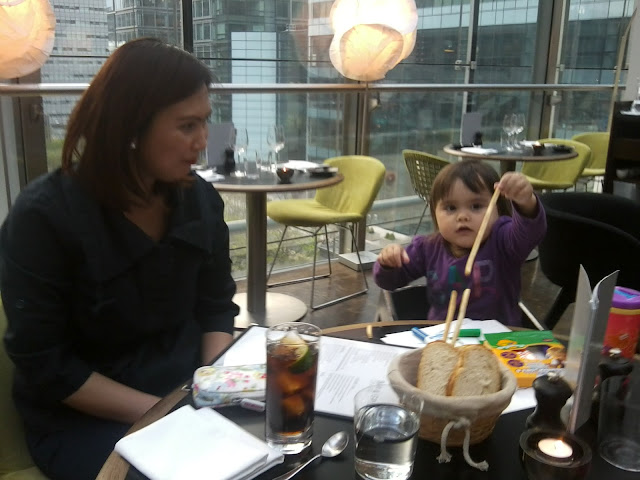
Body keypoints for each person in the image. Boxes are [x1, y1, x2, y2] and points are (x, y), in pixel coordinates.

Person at [0, 38, 239, 480]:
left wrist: (211, 386)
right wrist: (169, 411)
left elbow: (215, 305)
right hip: (86, 417)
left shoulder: (200, 200)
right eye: (187, 126)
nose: (204, 142)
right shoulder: (44, 218)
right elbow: (47, 365)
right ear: (130, 128)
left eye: (205, 122)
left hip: (186, 389)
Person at [374, 159, 546, 327]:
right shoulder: (427, 247)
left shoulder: (503, 239)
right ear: (434, 212)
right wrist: (388, 263)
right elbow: (388, 282)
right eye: (451, 208)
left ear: (498, 210)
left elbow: (530, 233)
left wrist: (526, 203)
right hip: (443, 339)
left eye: (476, 206)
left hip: (499, 340)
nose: (463, 216)